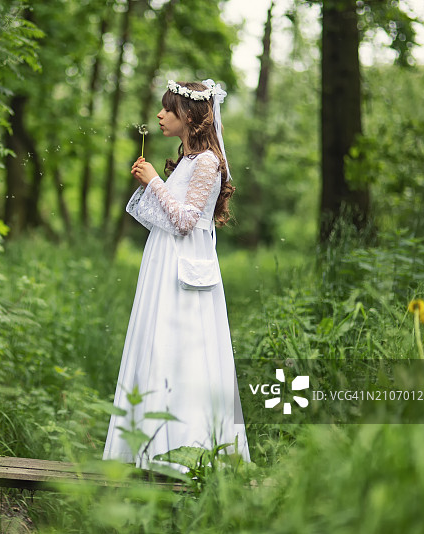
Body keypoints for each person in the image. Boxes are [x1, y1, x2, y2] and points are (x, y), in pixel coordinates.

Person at [103, 79, 250, 467]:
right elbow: (168, 216)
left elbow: (185, 221)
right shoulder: (186, 160)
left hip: (183, 269)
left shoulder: (207, 162)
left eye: (168, 109)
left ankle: (186, 452)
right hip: (164, 262)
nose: (160, 115)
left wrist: (154, 181)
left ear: (189, 115)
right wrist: (152, 184)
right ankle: (150, 447)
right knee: (158, 346)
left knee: (184, 350)